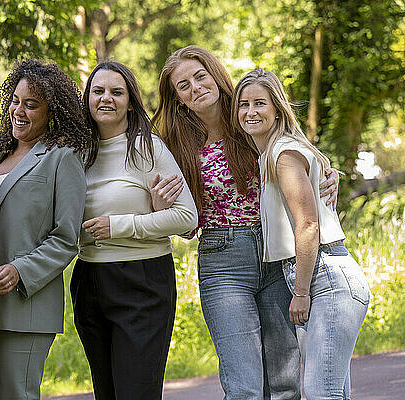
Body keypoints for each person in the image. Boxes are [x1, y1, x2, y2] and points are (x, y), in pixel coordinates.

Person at [152, 45, 340, 400]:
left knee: (285, 384)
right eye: (183, 85)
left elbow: (297, 157)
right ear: (177, 98)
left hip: (276, 253)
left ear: (216, 76)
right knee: (244, 387)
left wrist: (330, 174)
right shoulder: (174, 145)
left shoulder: (250, 117)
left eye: (200, 76)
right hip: (222, 261)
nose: (195, 87)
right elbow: (186, 227)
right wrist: (162, 206)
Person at [232, 68, 370, 399]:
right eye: (244, 104)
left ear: (277, 108)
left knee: (321, 391)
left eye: (260, 103)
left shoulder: (283, 154)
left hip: (325, 278)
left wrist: (301, 291)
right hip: (319, 274)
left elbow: (308, 224)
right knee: (332, 391)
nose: (251, 112)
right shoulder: (278, 151)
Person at [70, 60, 198, 400]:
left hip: (142, 282)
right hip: (89, 282)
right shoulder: (76, 154)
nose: (106, 98)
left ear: (130, 101)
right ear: (87, 99)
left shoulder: (149, 148)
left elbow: (187, 217)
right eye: (98, 91)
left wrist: (119, 226)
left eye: (117, 91)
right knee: (107, 393)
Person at [0, 60, 90, 400]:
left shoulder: (62, 157)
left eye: (31, 104)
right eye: (15, 100)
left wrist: (21, 270)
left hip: (24, 305)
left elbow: (67, 237)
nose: (18, 110)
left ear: (51, 112)